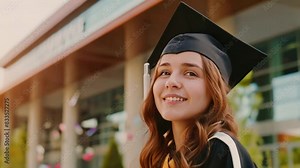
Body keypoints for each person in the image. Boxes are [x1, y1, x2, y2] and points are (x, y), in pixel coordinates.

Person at [139, 2, 267, 168]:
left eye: (191, 73)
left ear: (214, 91)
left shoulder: (222, 151)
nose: (171, 82)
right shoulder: (164, 156)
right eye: (164, 72)